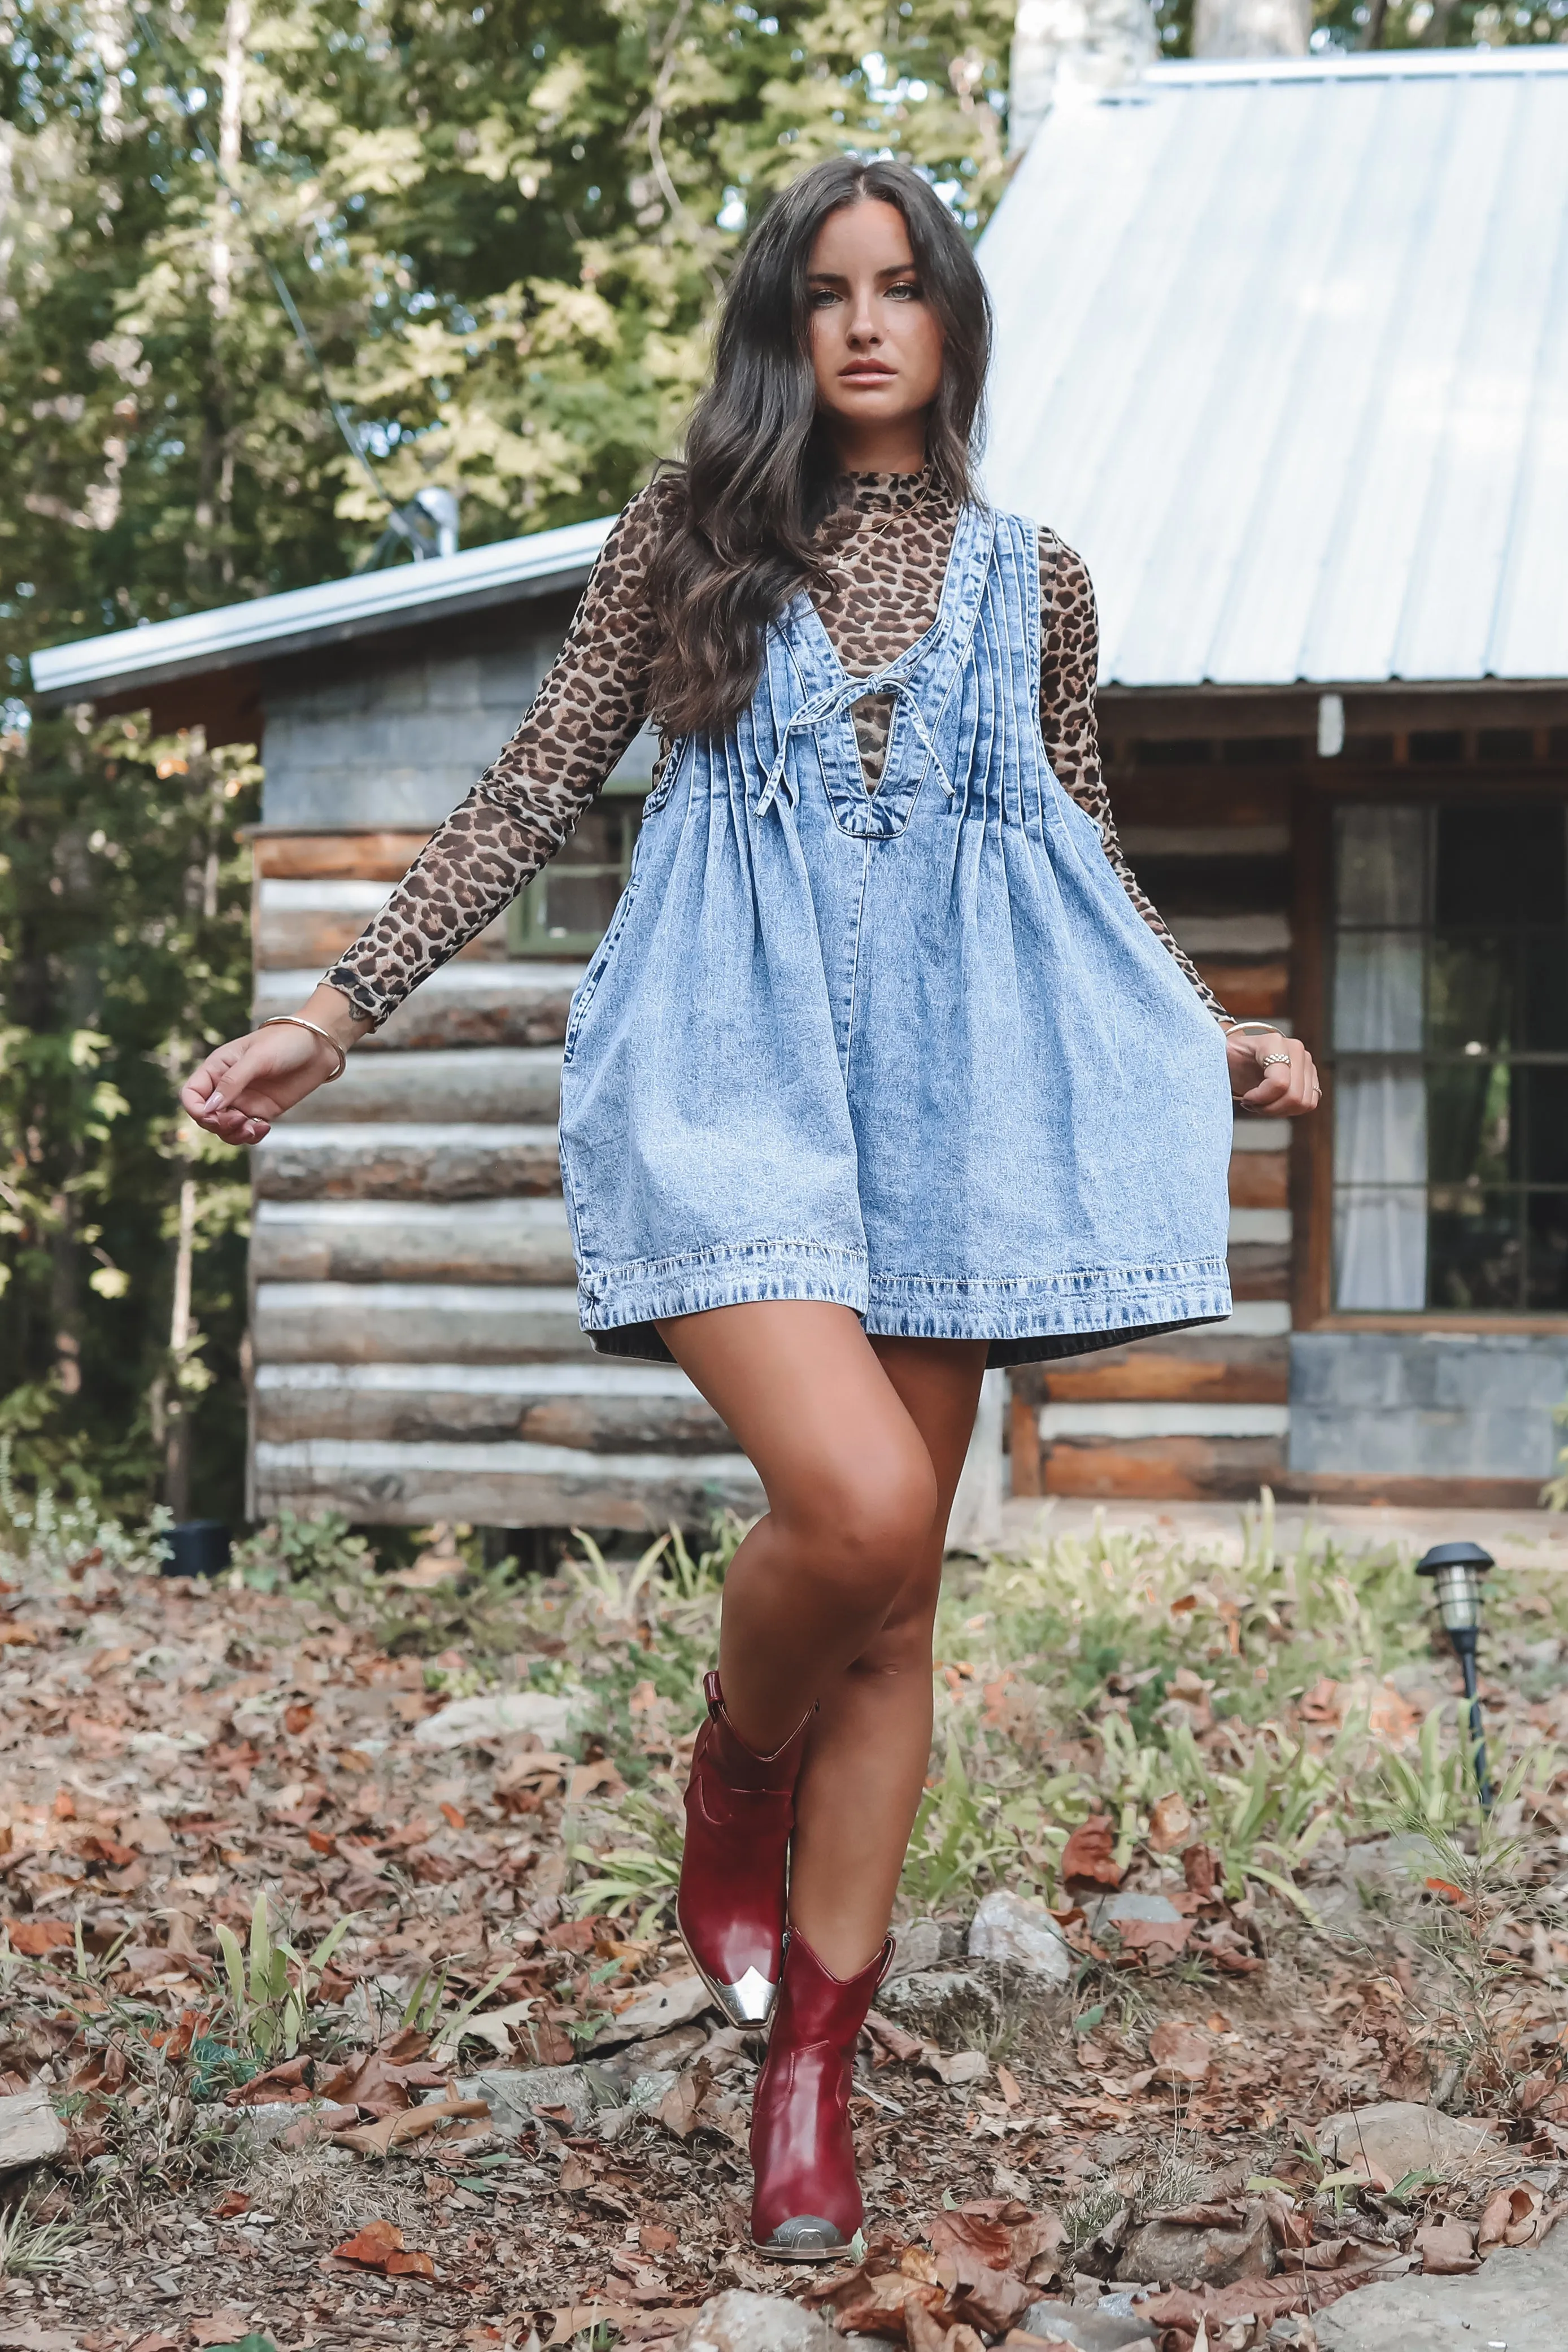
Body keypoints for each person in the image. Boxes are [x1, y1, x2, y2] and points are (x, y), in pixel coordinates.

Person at [182, 155, 1319, 2262]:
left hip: (958, 1102)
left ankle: (813, 2073)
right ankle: (733, 1766)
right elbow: (537, 778)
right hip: (726, 1075)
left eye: (903, 290)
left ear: (956, 321)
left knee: (901, 1600)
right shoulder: (688, 543)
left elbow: (1071, 841)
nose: (867, 324)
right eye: (827, 292)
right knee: (861, 1509)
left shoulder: (1036, 580)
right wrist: (334, 1015)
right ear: (778, 323)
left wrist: (1203, 1023)